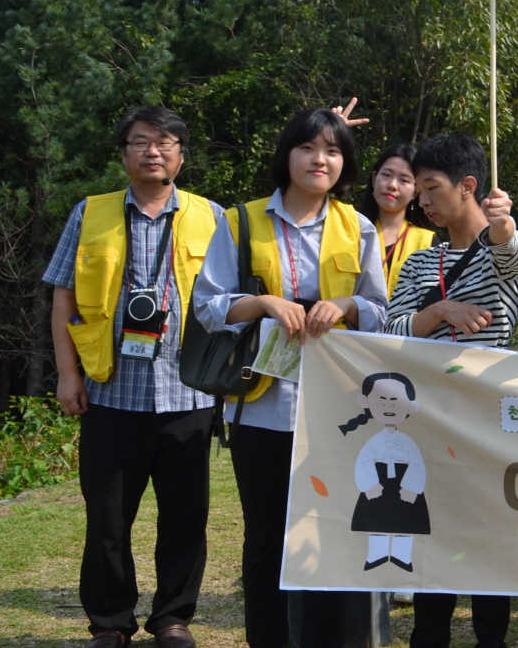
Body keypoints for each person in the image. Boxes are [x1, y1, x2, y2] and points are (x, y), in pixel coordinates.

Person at [192, 107, 389, 648]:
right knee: (265, 538)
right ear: (287, 155)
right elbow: (207, 306)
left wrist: (345, 304)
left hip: (336, 410)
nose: (319, 159)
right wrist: (262, 303)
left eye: (333, 150)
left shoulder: (359, 226)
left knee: (326, 531)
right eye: (308, 147)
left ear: (345, 163)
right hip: (260, 408)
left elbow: (380, 310)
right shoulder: (241, 221)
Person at [44, 106, 224, 648]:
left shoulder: (213, 216)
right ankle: (110, 622)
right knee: (106, 519)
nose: (153, 151)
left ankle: (173, 618)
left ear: (181, 156)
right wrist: (67, 376)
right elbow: (63, 299)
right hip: (110, 392)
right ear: (123, 153)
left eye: (165, 142)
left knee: (186, 517)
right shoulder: (90, 213)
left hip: (189, 394)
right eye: (141, 141)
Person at [382, 132, 518, 648]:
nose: (421, 200)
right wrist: (440, 311)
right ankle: (429, 638)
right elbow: (391, 332)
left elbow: (511, 254)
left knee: (489, 540)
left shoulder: (505, 249)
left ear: (468, 186)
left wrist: (503, 225)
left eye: (431, 187)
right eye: (419, 190)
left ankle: (492, 639)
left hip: (489, 422)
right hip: (429, 420)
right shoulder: (420, 262)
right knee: (433, 536)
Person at [361, 144, 435, 296]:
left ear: (416, 191)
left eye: (404, 180)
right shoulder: (351, 231)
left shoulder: (428, 243)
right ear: (374, 179)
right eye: (386, 175)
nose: (392, 185)